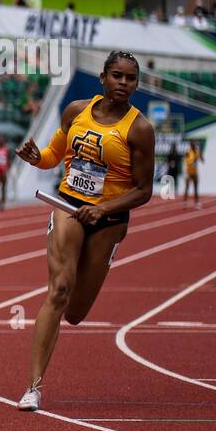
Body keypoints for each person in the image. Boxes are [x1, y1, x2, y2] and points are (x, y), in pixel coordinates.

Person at [14, 51, 155, 412]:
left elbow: (143, 190)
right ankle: (33, 387)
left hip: (108, 220)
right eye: (117, 76)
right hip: (68, 206)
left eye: (131, 78)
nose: (124, 83)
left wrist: (104, 208)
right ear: (103, 78)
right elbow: (53, 155)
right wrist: (36, 159)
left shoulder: (139, 129)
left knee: (75, 313)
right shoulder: (76, 110)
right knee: (59, 289)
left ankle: (102, 254)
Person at [183, 140, 203, 209]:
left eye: (194, 144)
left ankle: (196, 203)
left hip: (195, 172)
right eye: (192, 144)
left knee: (196, 188)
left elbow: (202, 160)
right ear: (190, 145)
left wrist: (200, 154)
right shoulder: (188, 152)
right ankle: (185, 202)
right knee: (187, 188)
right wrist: (193, 160)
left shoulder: (197, 151)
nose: (193, 145)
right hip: (188, 172)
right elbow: (186, 161)